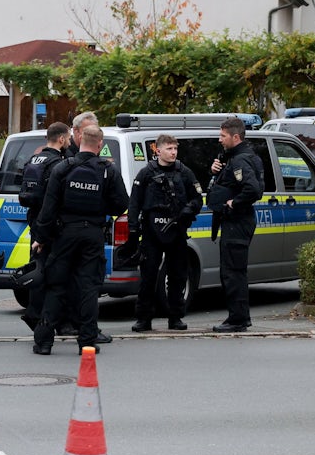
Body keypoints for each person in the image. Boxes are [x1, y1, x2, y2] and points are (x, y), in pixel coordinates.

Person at [32, 126, 128, 355]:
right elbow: (122, 203)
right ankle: (87, 341)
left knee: (56, 286)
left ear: (80, 140)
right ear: (100, 144)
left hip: (64, 235)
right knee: (88, 288)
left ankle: (44, 342)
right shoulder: (107, 171)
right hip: (93, 235)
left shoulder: (63, 168)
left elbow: (49, 208)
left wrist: (41, 238)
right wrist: (100, 208)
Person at [127, 134, 203, 332]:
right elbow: (134, 203)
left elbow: (197, 199)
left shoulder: (184, 172)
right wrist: (133, 230)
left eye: (175, 149)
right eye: (169, 149)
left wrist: (189, 209)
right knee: (148, 276)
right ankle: (144, 318)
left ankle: (175, 317)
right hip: (152, 233)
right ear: (157, 150)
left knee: (177, 275)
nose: (173, 152)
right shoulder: (146, 174)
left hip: (176, 231)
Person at [206, 117, 263, 332]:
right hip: (236, 220)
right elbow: (229, 183)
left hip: (237, 220)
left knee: (233, 272)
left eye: (223, 136)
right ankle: (239, 317)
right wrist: (215, 172)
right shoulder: (237, 157)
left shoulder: (240, 160)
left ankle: (237, 319)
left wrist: (233, 203)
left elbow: (253, 190)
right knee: (232, 270)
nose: (220, 140)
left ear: (235, 137)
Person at [17, 121, 70, 330]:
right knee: (54, 274)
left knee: (38, 269)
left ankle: (35, 313)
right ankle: (40, 316)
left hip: (34, 219)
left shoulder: (34, 158)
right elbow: (56, 198)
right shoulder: (58, 163)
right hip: (51, 224)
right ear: (62, 139)